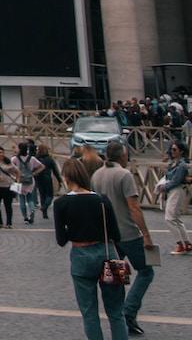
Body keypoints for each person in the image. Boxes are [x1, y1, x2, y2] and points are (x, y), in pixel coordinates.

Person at [58, 154, 130, 340]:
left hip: (82, 255)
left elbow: (60, 239)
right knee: (116, 311)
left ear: (66, 177)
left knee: (89, 313)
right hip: (109, 252)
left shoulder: (61, 203)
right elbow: (116, 234)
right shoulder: (102, 200)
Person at [91, 140, 154, 333]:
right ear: (122, 155)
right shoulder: (124, 175)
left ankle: (118, 315)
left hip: (108, 236)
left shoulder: (96, 175)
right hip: (128, 234)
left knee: (116, 279)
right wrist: (146, 235)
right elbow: (134, 207)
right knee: (146, 272)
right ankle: (129, 311)